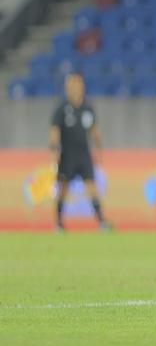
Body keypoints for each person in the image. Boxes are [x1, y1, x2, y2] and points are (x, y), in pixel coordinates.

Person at [50, 74, 110, 232]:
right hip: (67, 155)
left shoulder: (87, 108)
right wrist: (55, 150)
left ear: (82, 87)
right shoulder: (62, 109)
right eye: (71, 85)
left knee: (91, 187)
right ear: (67, 88)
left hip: (84, 155)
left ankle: (102, 222)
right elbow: (54, 132)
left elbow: (94, 130)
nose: (75, 88)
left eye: (77, 84)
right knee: (63, 189)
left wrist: (98, 147)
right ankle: (58, 223)